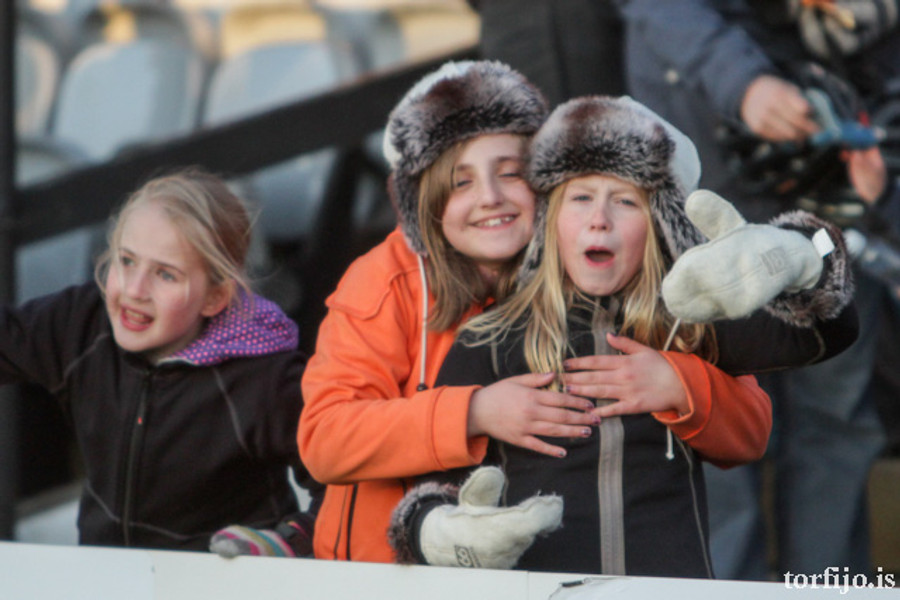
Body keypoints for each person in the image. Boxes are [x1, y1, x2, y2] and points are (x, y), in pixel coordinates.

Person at [299, 59, 858, 565]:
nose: (490, 196)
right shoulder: (404, 288)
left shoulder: (647, 296)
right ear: (426, 203)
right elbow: (327, 439)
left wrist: (677, 381)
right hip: (382, 567)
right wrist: (476, 412)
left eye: (510, 172)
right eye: (460, 181)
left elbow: (759, 414)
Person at [386, 95, 787, 577]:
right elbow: (430, 492)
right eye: (580, 198)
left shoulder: (688, 327)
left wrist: (679, 385)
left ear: (659, 228)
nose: (600, 219)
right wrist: (444, 530)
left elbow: (757, 427)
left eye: (626, 201)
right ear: (550, 221)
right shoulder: (489, 337)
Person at [614, 0, 899, 579]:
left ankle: (827, 588)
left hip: (840, 179)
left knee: (837, 424)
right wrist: (741, 81)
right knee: (714, 425)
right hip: (705, 193)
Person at [0, 168, 322, 553]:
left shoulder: (262, 379)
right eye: (126, 261)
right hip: (107, 572)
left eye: (166, 275)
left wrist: (289, 541)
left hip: (226, 577)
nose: (135, 290)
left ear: (215, 298)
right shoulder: (82, 324)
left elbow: (347, 483)